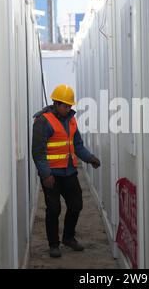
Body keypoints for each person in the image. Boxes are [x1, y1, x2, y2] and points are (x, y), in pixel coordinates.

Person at [32, 84, 101, 258]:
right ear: (55, 103)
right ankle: (53, 244)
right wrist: (45, 174)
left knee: (76, 205)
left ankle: (68, 237)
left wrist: (90, 158)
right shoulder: (42, 121)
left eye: (70, 105)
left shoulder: (71, 120)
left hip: (69, 172)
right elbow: (38, 152)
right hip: (52, 175)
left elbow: (77, 145)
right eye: (64, 105)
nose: (68, 108)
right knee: (53, 209)